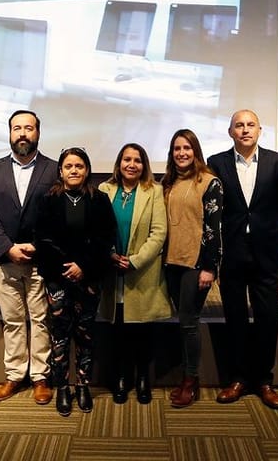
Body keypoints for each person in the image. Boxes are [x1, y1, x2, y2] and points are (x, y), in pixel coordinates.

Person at [207, 110, 278, 410]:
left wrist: (264, 229)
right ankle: (239, 378)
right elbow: (214, 207)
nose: (245, 130)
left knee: (268, 318)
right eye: (238, 125)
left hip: (266, 251)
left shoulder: (276, 162)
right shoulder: (216, 162)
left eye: (250, 125)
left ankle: (264, 380)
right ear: (230, 132)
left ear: (259, 130)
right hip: (231, 250)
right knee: (236, 317)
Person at [0, 110, 58, 404]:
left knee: (40, 319)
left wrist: (39, 246)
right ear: (9, 133)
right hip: (6, 258)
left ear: (38, 132)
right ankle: (15, 375)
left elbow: (56, 213)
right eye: (17, 128)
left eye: (28, 128)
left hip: (40, 259)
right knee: (13, 320)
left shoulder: (53, 169)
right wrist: (8, 247)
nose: (22, 133)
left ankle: (40, 377)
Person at [35, 148, 117, 416]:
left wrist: (83, 266)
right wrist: (66, 267)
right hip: (57, 279)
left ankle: (82, 385)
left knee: (85, 333)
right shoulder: (47, 200)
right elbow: (43, 240)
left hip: (89, 277)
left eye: (79, 166)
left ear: (87, 170)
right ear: (60, 171)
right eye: (68, 166)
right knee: (59, 336)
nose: (73, 170)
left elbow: (106, 240)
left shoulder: (100, 200)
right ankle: (61, 388)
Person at [98, 143, 169, 405]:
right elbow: (97, 229)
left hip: (141, 273)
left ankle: (142, 380)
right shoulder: (105, 190)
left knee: (142, 332)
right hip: (112, 271)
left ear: (144, 165)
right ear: (118, 164)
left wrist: (135, 261)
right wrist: (110, 255)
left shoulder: (155, 191)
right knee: (117, 332)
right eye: (126, 159)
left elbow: (159, 233)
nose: (131, 164)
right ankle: (120, 378)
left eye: (137, 160)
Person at [161, 129, 223, 408]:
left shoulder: (209, 183)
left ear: (195, 151)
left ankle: (191, 380)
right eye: (177, 148)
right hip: (171, 262)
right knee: (183, 320)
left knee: (189, 322)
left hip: (195, 264)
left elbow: (214, 229)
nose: (181, 153)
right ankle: (187, 375)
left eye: (187, 148)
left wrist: (210, 268)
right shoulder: (168, 182)